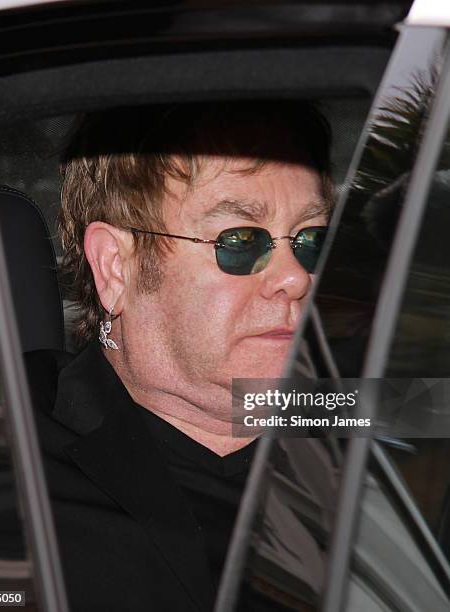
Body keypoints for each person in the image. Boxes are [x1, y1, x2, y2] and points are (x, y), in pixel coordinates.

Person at [28, 101, 333, 611]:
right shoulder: (5, 437)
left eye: (311, 241)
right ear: (115, 268)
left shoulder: (382, 424)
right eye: (240, 241)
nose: (295, 277)